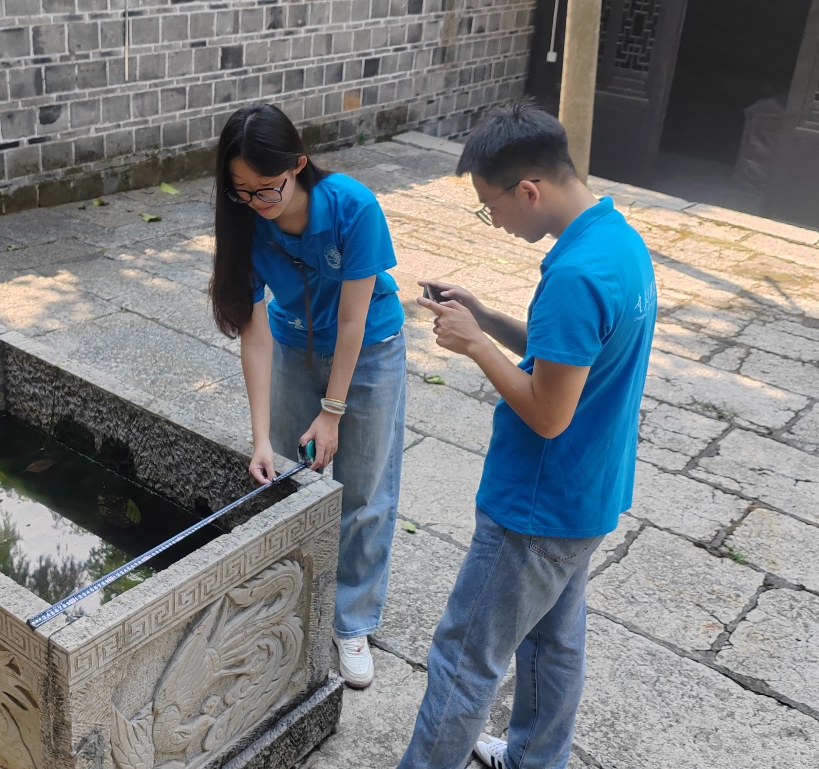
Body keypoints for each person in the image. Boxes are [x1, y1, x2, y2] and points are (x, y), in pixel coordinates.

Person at [398, 101, 656, 769]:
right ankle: (535, 758)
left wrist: (475, 343)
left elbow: (548, 413)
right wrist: (486, 316)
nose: (498, 222)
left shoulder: (573, 275)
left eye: (492, 207)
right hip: (587, 494)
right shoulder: (617, 240)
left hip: (536, 507)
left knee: (464, 658)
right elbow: (566, 357)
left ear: (529, 190)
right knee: (552, 642)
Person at [209, 103, 407, 689]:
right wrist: (260, 438)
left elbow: (351, 321)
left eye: (267, 187)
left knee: (365, 491)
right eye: (242, 190)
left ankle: (352, 620)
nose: (257, 202)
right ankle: (296, 594)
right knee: (292, 478)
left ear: (297, 165)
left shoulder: (352, 207)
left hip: (369, 348)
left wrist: (332, 411)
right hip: (294, 346)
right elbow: (254, 336)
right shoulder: (246, 221)